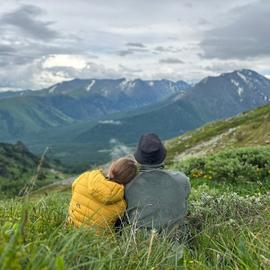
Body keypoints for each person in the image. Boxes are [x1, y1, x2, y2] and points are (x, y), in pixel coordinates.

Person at [125, 133, 191, 232]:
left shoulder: (127, 184)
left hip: (139, 242)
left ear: (138, 157)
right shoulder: (181, 180)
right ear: (162, 155)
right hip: (177, 241)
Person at [68, 157, 137, 231]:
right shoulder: (121, 204)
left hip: (71, 228)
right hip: (98, 241)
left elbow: (73, 192)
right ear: (128, 181)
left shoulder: (84, 177)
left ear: (112, 167)